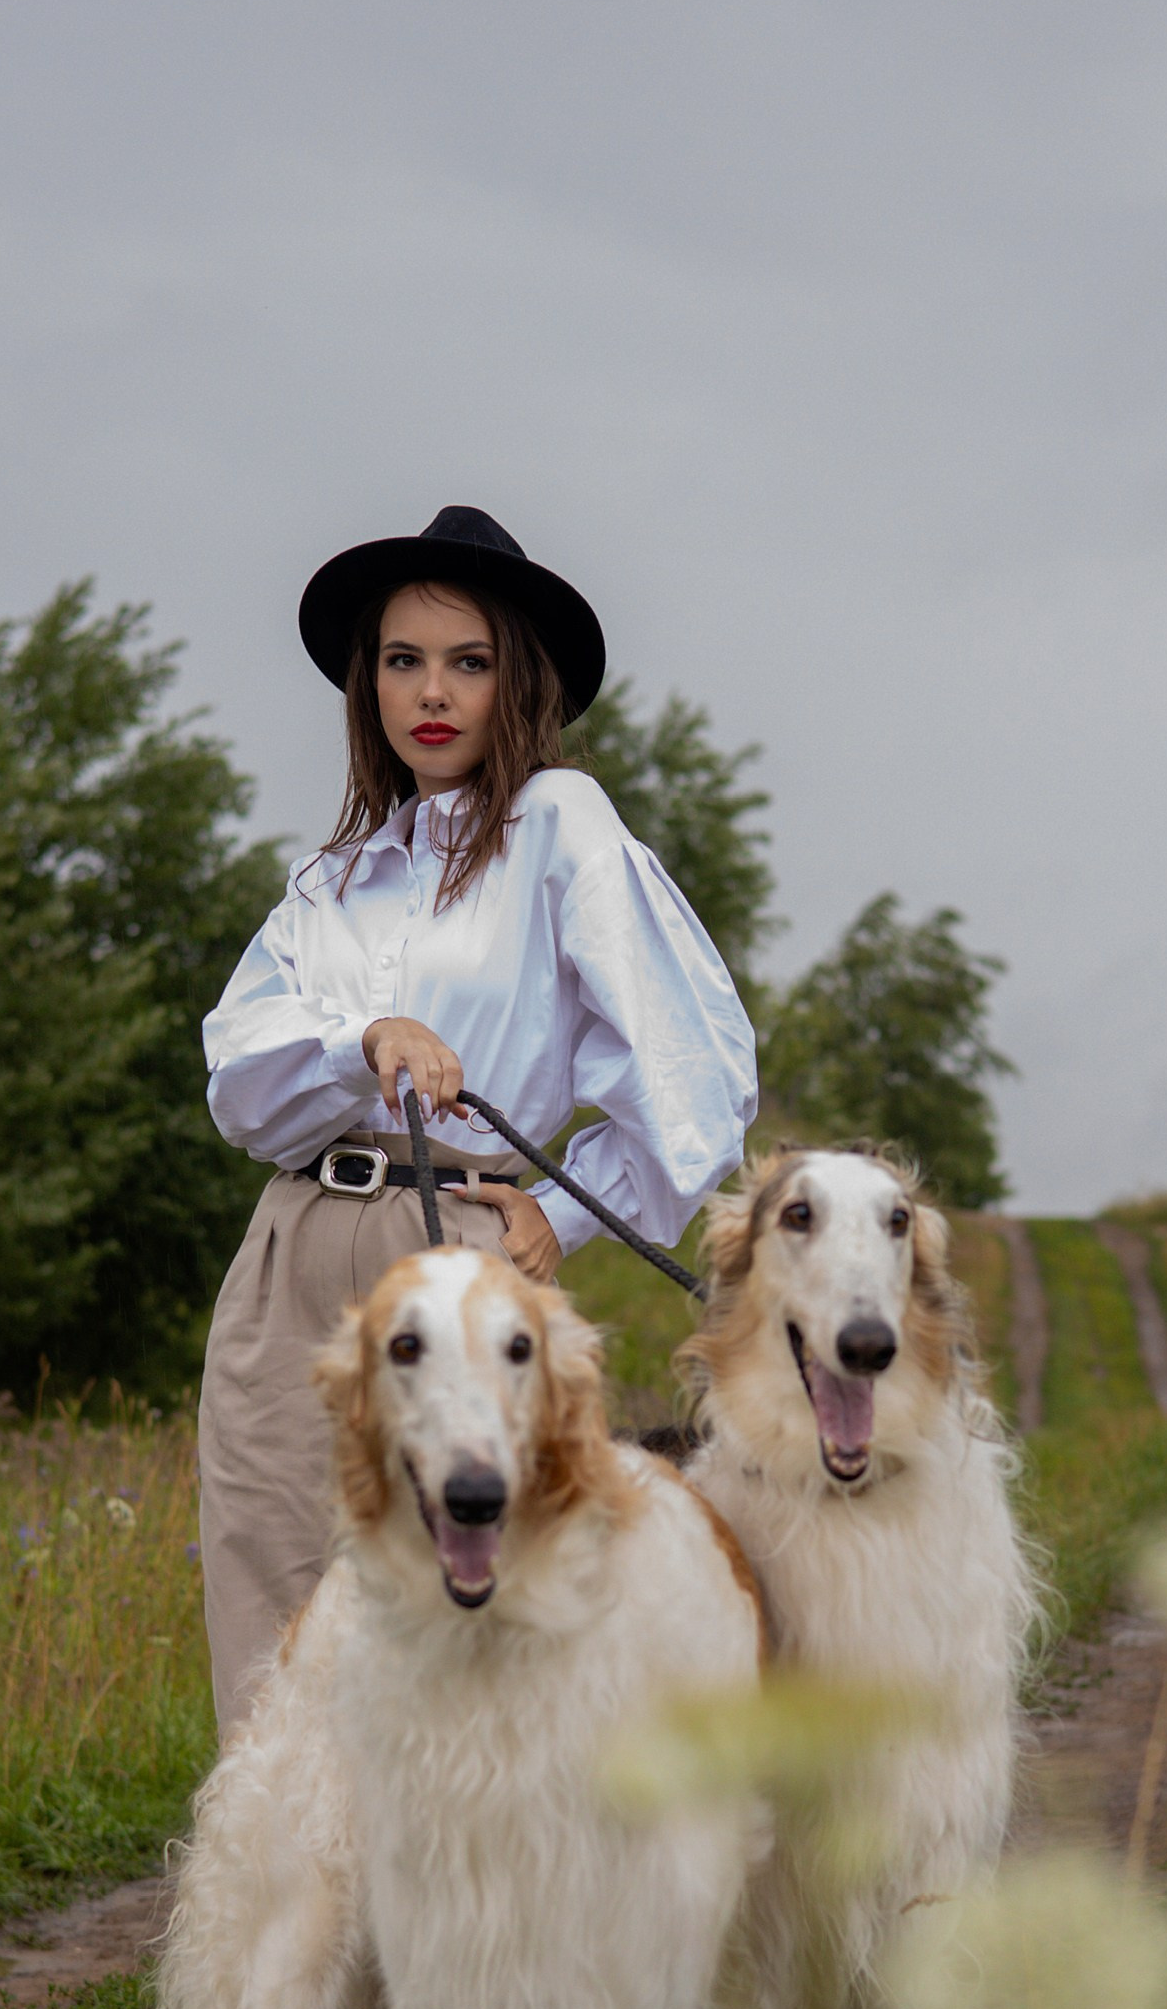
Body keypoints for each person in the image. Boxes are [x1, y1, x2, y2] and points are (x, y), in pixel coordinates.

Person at [196, 504, 758, 1735]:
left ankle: (472, 1907)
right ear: (369, 685)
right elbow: (237, 1079)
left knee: (462, 1596)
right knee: (268, 1585)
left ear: (519, 682)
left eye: (469, 661)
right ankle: (298, 1897)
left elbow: (695, 1080)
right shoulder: (331, 880)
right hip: (289, 1248)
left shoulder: (561, 827)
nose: (432, 692)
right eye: (403, 661)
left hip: (454, 1251)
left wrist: (555, 1214)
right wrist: (365, 1040)